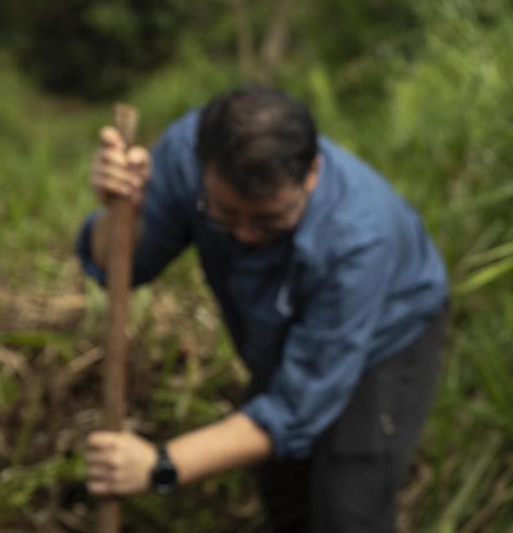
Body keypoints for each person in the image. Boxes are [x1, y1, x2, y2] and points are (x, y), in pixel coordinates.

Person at [78, 86, 448, 532]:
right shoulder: (183, 156)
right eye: (226, 217)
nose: (246, 236)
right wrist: (122, 210)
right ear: (204, 168)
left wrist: (160, 465)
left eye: (269, 220)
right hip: (284, 328)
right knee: (282, 488)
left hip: (387, 335)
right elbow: (120, 264)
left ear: (312, 173)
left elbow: (296, 407)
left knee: (347, 508)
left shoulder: (358, 237)